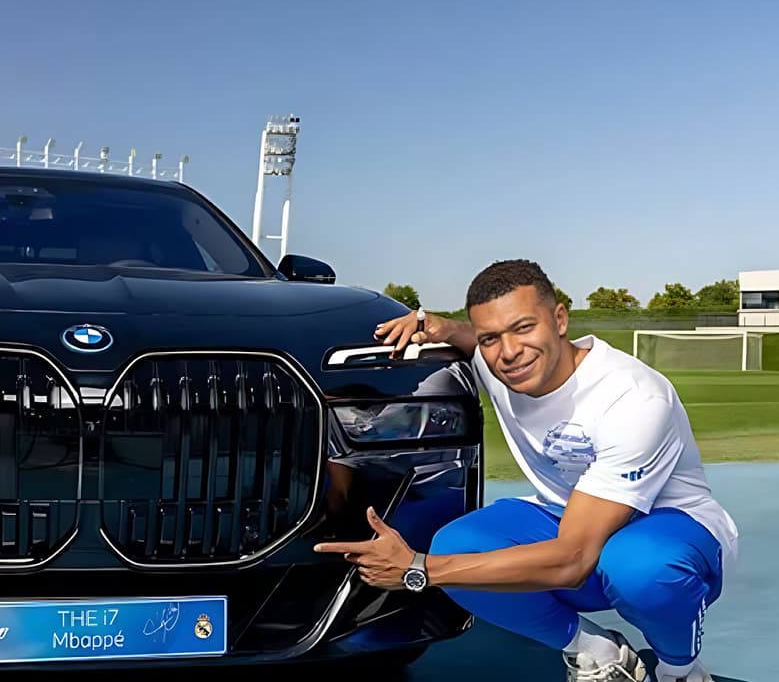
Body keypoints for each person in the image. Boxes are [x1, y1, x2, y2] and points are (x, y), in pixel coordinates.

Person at [314, 259, 738, 682]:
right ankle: (596, 652)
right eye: (491, 338)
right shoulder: (500, 365)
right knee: (458, 546)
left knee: (640, 567)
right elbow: (468, 339)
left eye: (523, 328)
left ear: (560, 320)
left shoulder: (633, 398)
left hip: (669, 528)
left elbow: (573, 560)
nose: (509, 352)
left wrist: (419, 570)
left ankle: (680, 669)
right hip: (567, 516)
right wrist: (438, 325)